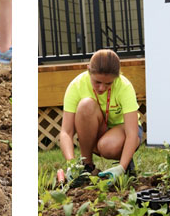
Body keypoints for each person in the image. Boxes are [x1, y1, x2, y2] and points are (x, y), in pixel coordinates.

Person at [58, 49, 143, 185]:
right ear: (88, 70)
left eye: (108, 83)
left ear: (117, 76)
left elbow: (132, 133)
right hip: (95, 133)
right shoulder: (76, 85)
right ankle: (86, 166)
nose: (102, 88)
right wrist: (71, 164)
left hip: (122, 133)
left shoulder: (124, 86)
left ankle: (126, 165)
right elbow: (66, 132)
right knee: (86, 105)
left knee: (107, 146)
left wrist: (121, 167)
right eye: (97, 82)